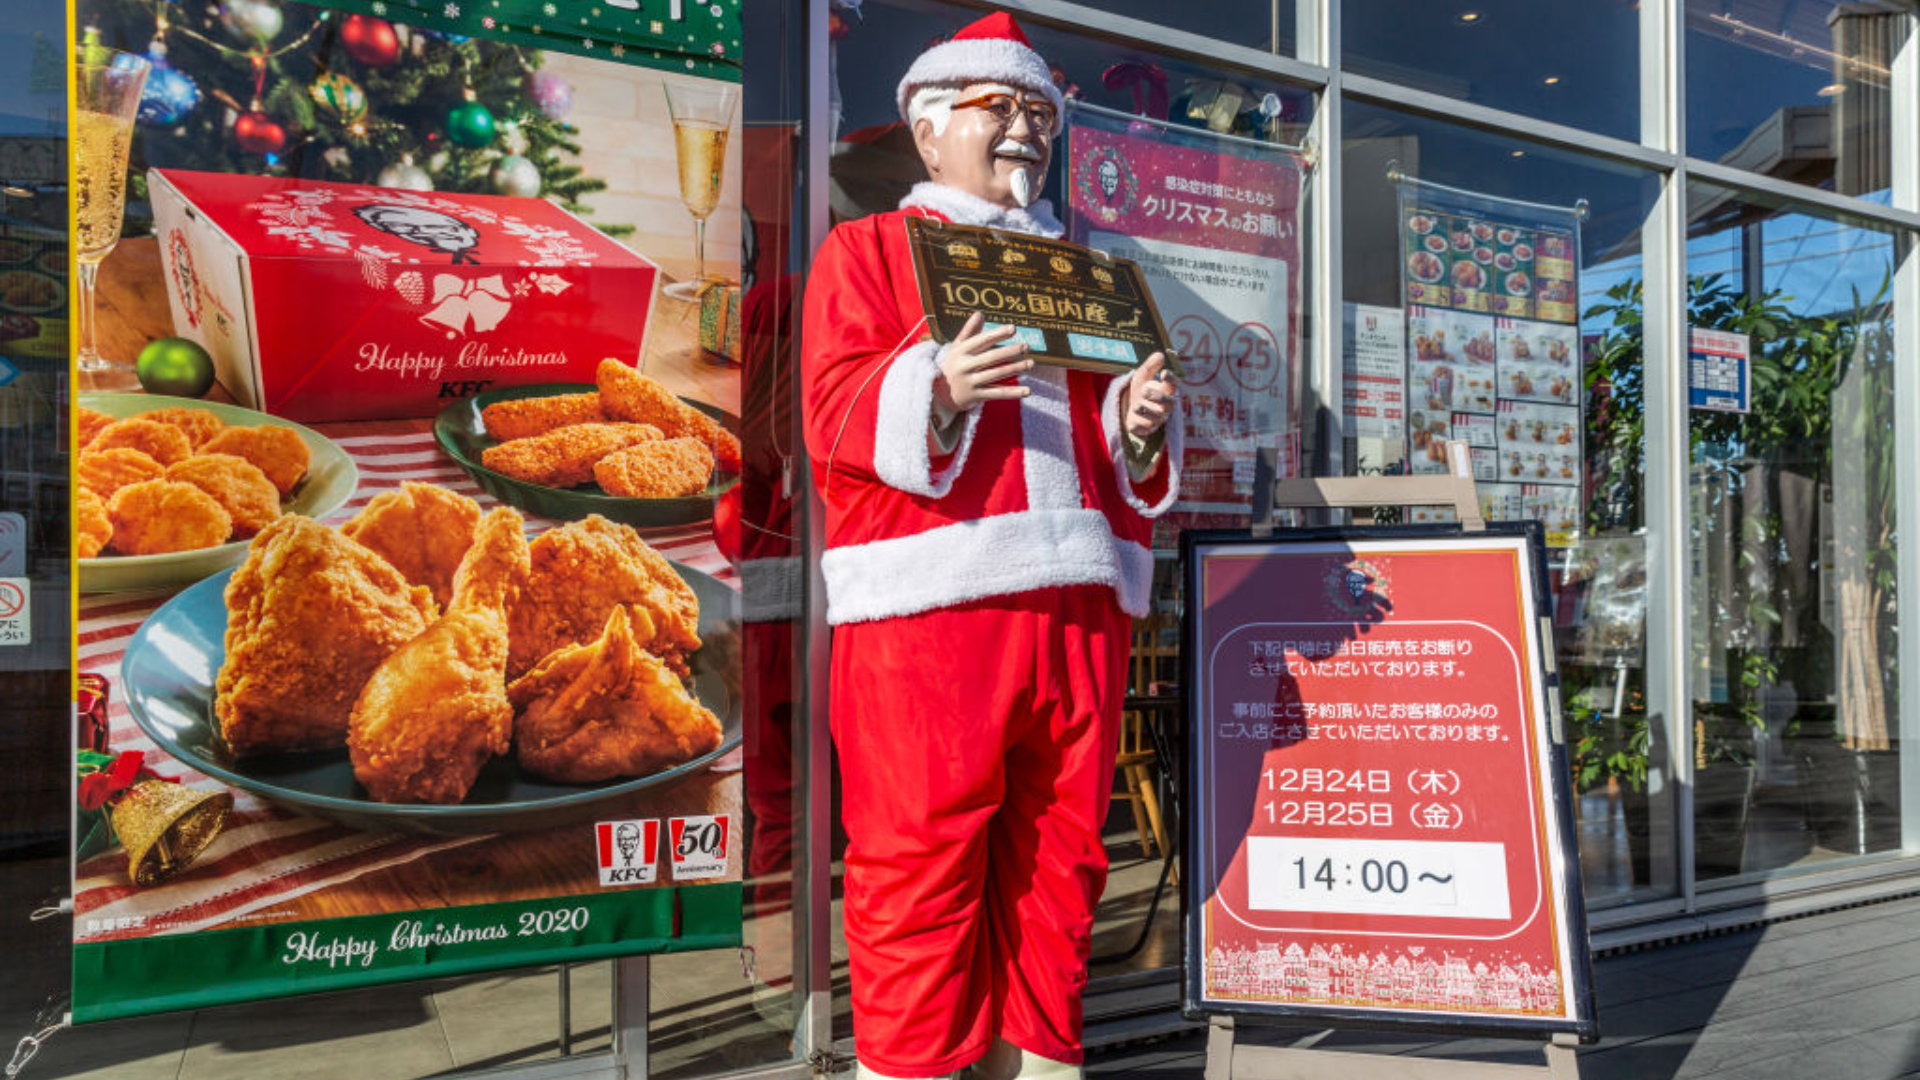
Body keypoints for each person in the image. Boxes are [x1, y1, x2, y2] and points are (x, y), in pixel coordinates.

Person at [799, 13, 1179, 1080]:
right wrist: (934, 388)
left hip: (1082, 602)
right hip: (933, 606)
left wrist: (1135, 426)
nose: (1025, 132)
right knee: (918, 865)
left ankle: (1039, 1064)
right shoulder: (868, 251)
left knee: (1064, 863)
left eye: (1040, 115)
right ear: (928, 134)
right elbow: (829, 407)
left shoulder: (1092, 271)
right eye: (998, 108)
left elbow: (1117, 447)